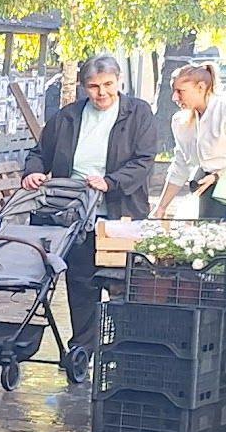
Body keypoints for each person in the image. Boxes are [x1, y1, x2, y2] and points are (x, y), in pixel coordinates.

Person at [20, 55, 159, 361]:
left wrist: (110, 182)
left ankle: (127, 347)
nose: (102, 93)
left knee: (123, 282)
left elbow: (144, 160)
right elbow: (39, 153)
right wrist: (33, 171)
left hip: (120, 211)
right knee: (81, 281)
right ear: (84, 87)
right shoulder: (67, 117)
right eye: (94, 87)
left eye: (108, 85)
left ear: (119, 81)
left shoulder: (139, 113)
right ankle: (82, 348)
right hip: (75, 212)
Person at [156, 61, 226, 219]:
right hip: (206, 193)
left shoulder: (223, 109)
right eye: (174, 91)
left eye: (181, 91)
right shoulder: (180, 122)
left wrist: (218, 175)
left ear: (201, 87)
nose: (175, 97)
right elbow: (180, 166)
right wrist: (161, 207)